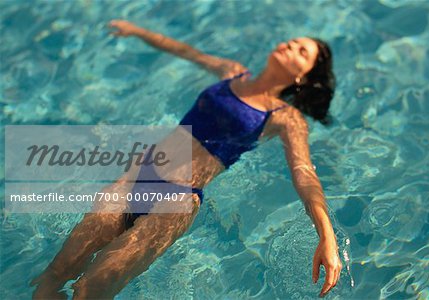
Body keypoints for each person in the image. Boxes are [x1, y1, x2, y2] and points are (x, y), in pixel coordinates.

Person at [30, 19, 342, 299]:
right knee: (54, 275)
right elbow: (185, 51)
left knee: (89, 290)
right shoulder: (233, 72)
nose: (292, 45)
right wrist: (137, 31)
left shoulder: (286, 119)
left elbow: (304, 174)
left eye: (302, 51)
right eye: (294, 41)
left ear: (303, 76)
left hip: (176, 202)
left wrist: (326, 235)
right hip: (137, 176)